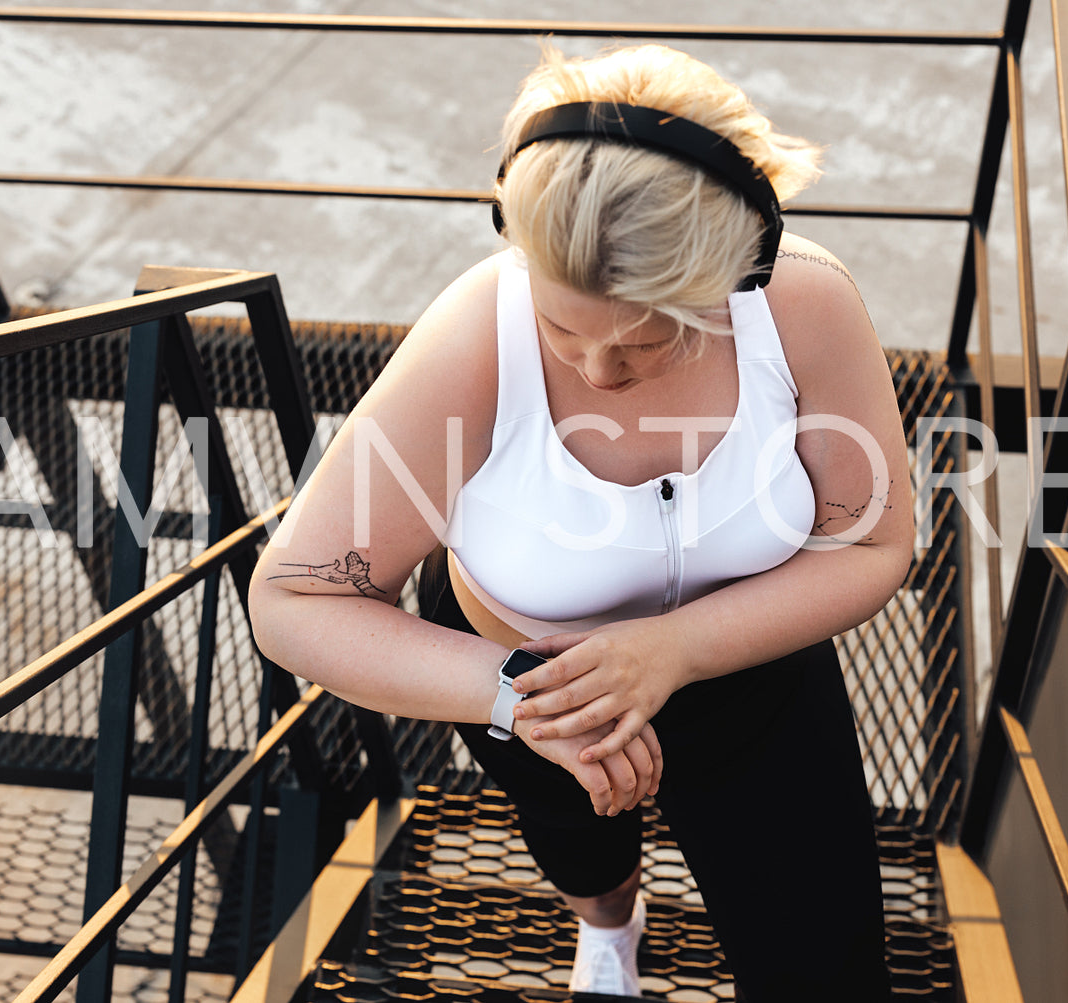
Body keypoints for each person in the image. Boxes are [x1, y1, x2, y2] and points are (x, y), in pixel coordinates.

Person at [249, 43, 912, 1002]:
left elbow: (875, 538)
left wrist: (679, 647)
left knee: (826, 960)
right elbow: (295, 596)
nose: (598, 373)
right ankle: (610, 929)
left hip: (753, 669)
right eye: (564, 331)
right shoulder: (476, 331)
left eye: (651, 339)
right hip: (532, 688)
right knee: (580, 851)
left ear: (745, 268)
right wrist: (520, 696)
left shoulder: (805, 302)